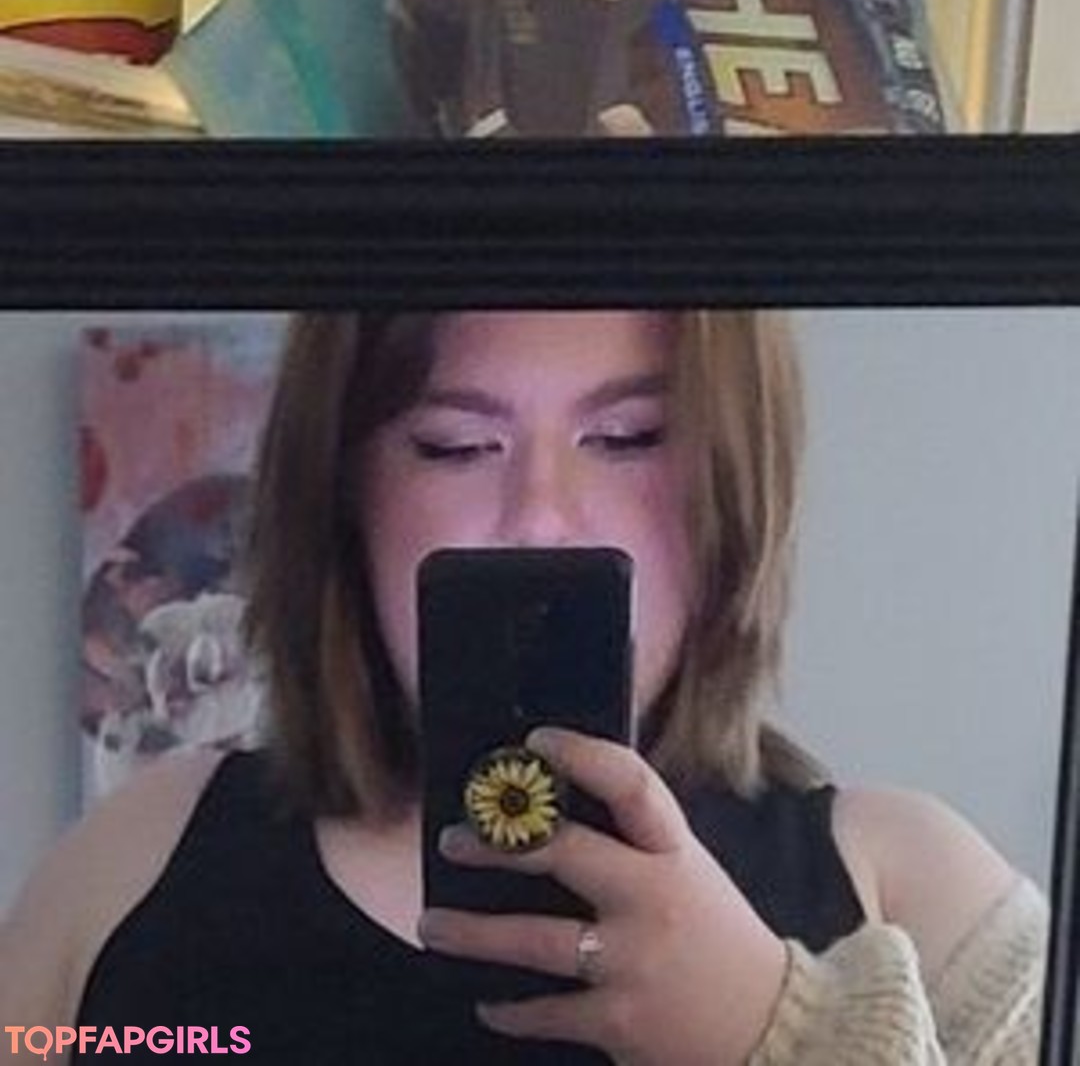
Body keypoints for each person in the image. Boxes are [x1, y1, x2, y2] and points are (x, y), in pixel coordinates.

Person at [1, 310, 1046, 1064]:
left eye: (629, 437)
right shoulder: (129, 869)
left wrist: (778, 1033)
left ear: (733, 481)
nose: (540, 514)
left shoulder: (918, 892)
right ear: (347, 493)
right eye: (455, 446)